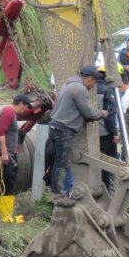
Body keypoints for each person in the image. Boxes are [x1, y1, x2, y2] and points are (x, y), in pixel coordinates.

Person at [48, 65, 107, 196]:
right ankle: (59, 195)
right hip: (63, 130)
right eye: (94, 82)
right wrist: (102, 113)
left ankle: (63, 192)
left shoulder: (69, 84)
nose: (93, 86)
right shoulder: (79, 89)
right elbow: (89, 114)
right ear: (90, 79)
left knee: (61, 163)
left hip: (55, 127)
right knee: (62, 164)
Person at [0, 94, 33, 194]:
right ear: (21, 104)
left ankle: (3, 204)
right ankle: (0, 204)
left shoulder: (10, 113)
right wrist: (5, 153)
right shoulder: (8, 112)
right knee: (7, 180)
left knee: (9, 179)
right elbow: (0, 133)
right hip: (6, 154)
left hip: (10, 153)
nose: (26, 110)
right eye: (26, 107)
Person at [95, 61, 121, 190]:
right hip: (105, 133)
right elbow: (110, 115)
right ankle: (108, 187)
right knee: (108, 162)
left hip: (91, 134)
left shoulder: (88, 87)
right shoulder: (105, 90)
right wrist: (115, 133)